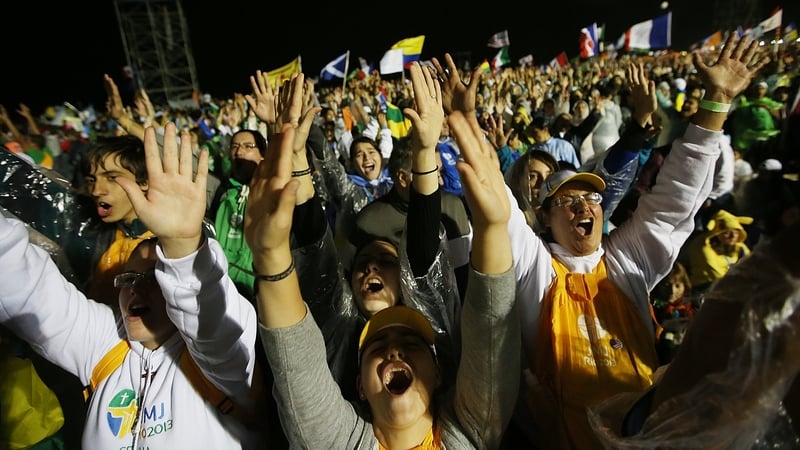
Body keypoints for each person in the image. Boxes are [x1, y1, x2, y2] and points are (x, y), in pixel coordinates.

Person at [439, 33, 769, 449]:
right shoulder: (534, 269)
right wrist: (465, 121)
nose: (585, 206)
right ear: (545, 216)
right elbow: (498, 204)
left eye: (592, 198)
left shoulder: (627, 260)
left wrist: (716, 101)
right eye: (568, 201)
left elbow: (675, 200)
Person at [244, 61, 520, 450]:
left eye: (388, 262)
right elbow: (299, 354)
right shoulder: (339, 337)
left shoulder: (465, 419)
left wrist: (426, 156)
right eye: (361, 264)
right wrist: (292, 158)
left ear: (440, 372)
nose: (393, 350)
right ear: (358, 385)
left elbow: (434, 271)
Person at [0, 123, 264, 448]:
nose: (137, 289)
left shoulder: (221, 363)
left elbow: (211, 315)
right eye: (128, 278)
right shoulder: (107, 345)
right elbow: (24, 284)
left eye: (155, 277)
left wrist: (182, 244)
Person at [206, 128, 267, 301]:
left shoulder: (273, 191)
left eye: (248, 146)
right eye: (234, 146)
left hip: (258, 294)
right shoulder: (219, 190)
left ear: (263, 155)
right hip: (219, 290)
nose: (239, 152)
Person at [686, 208, 753, 294]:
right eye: (727, 232)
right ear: (717, 233)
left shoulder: (740, 247)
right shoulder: (702, 245)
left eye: (736, 232)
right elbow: (714, 272)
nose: (733, 236)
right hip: (706, 288)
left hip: (734, 286)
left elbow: (751, 265)